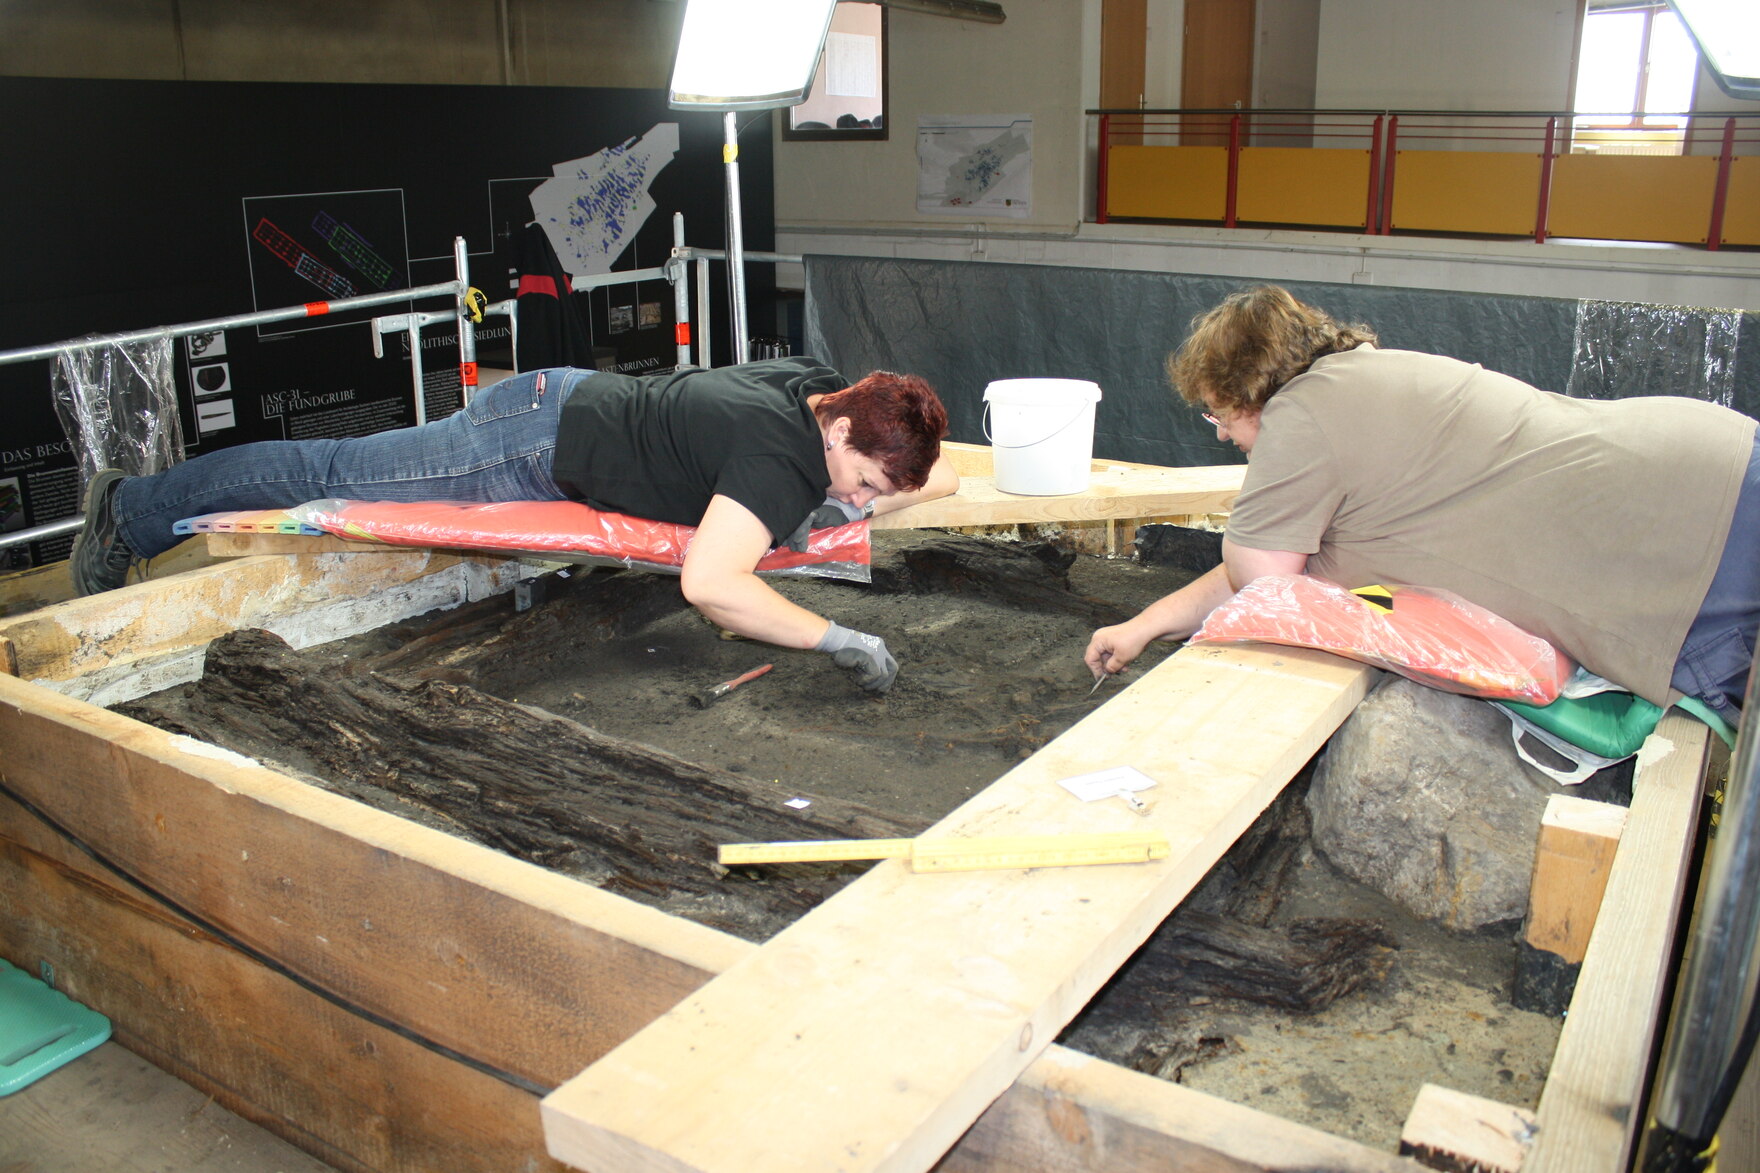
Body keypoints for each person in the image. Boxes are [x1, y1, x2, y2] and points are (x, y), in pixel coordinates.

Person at [72, 357, 959, 694]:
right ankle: (130, 511)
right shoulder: (780, 462)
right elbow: (713, 585)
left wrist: (880, 490)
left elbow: (938, 475)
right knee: (329, 480)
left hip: (562, 400)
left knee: (333, 476)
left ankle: (135, 508)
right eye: (864, 478)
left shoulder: (815, 387)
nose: (862, 497)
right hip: (527, 442)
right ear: (840, 429)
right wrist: (834, 635)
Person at [1085, 285, 1759, 725]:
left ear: (1251, 389)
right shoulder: (1360, 385)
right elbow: (1285, 568)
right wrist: (1146, 622)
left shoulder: (1302, 415)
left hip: (1686, 553)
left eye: (1218, 415)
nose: (1225, 436)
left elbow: (1268, 589)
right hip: (1706, 470)